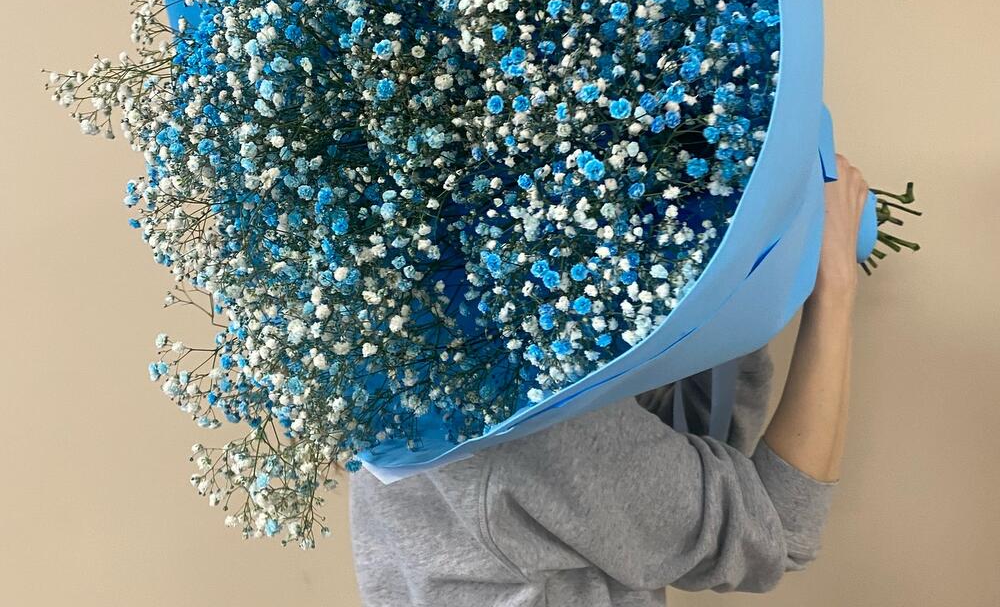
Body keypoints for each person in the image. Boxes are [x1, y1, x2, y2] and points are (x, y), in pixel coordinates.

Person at [349, 153, 870, 606]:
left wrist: (737, 285)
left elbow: (683, 461)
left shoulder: (380, 355)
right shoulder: (522, 419)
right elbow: (776, 529)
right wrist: (834, 284)